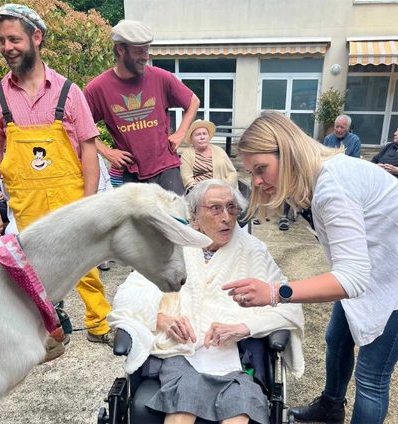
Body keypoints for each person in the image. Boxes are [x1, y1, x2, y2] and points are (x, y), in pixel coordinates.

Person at [222, 111, 398, 424]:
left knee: (371, 377)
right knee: (337, 338)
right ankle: (331, 406)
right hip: (372, 265)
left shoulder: (332, 186)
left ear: (286, 150)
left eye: (261, 169)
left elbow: (352, 278)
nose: (258, 181)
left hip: (389, 278)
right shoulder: (312, 182)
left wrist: (275, 292)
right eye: (252, 173)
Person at [108, 179, 304, 424]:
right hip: (183, 353)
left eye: (232, 207)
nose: (227, 217)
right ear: (194, 217)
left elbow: (288, 301)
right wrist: (160, 319)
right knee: (183, 406)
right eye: (215, 208)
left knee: (240, 410)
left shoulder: (253, 250)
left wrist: (244, 328)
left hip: (234, 357)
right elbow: (129, 294)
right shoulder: (171, 247)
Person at [0, 4, 113, 351]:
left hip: (69, 193)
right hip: (25, 197)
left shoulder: (69, 91)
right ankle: (50, 332)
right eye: (1, 41)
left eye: (14, 39)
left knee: (85, 263)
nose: (7, 47)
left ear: (36, 37)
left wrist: (89, 202)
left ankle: (99, 323)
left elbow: (89, 149)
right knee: (35, 267)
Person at [84, 19, 200, 196]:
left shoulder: (161, 78)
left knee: (176, 221)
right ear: (121, 49)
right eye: (139, 50)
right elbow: (80, 128)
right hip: (131, 173)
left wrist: (180, 133)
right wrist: (107, 151)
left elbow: (193, 101)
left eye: (147, 49)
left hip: (166, 169)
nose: (146, 56)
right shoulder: (98, 88)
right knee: (135, 224)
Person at [279, 114, 362, 232]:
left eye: (342, 127)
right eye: (336, 127)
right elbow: (321, 157)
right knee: (294, 181)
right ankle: (286, 215)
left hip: (344, 176)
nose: (338, 130)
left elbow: (355, 162)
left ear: (348, 128)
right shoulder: (329, 139)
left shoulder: (354, 140)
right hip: (326, 172)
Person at [180, 119, 238, 193]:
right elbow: (187, 178)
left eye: (204, 134)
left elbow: (232, 173)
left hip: (221, 190)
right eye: (198, 134)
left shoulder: (219, 150)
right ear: (192, 138)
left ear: (208, 136)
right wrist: (200, 192)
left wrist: (224, 187)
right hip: (198, 192)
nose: (202, 137)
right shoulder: (187, 153)